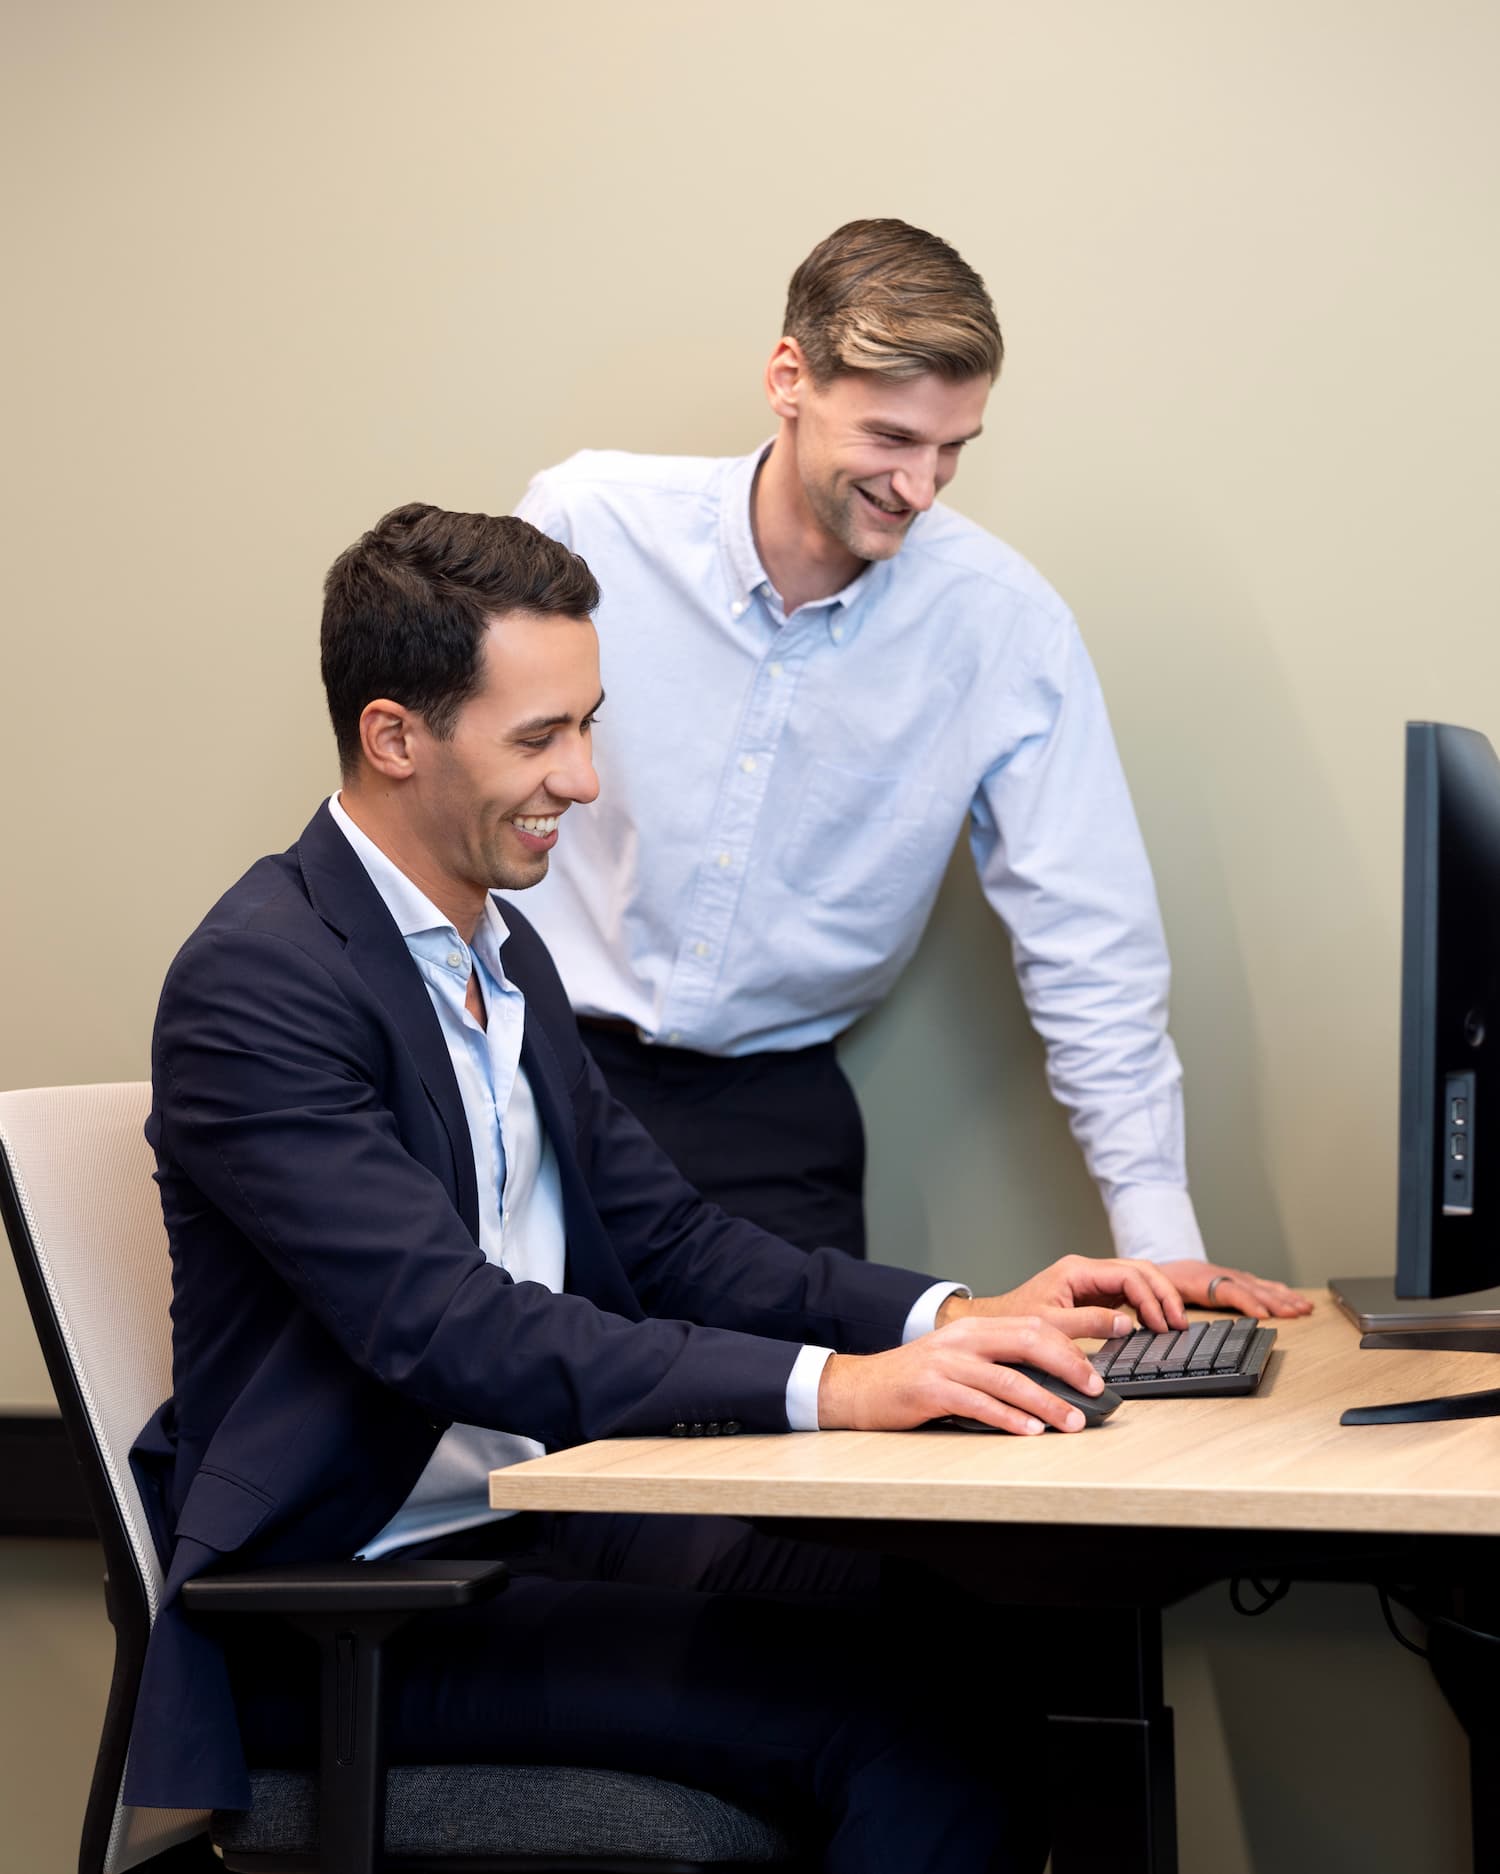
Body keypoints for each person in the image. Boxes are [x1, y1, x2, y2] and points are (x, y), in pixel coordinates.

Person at [126, 502, 1191, 1872]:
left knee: (977, 1616)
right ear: (395, 735)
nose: (584, 778)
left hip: (540, 1525)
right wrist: (839, 1385)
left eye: (589, 724)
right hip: (360, 1604)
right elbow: (454, 1324)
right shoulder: (260, 978)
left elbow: (671, 1236)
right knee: (909, 1729)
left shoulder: (502, 953)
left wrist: (949, 1316)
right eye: (539, 737)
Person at [514, 217, 1308, 1321]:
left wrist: (1159, 1232)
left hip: (771, 1121)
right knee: (518, 1443)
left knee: (795, 1476)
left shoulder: (1003, 626)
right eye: (891, 438)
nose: (923, 487)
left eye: (954, 449)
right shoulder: (589, 524)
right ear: (789, 377)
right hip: (530, 1068)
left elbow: (1087, 935)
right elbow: (452, 780)